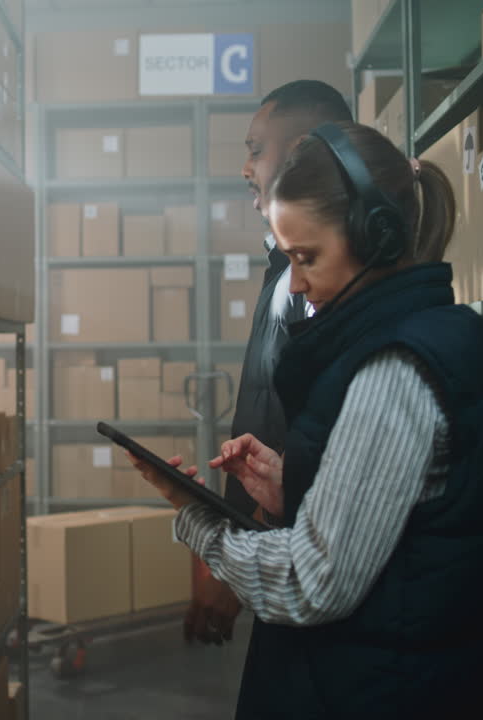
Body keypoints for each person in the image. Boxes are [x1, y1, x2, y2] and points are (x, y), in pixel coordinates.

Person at [130, 122, 483, 719]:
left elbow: (308, 584)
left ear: (376, 236)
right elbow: (408, 524)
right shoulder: (435, 334)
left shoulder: (393, 372)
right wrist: (297, 487)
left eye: (307, 256)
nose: (296, 281)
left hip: (391, 692)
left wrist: (193, 518)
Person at [185, 79, 352, 648]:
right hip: (271, 547)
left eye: (257, 148)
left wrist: (234, 565)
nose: (245, 167)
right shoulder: (286, 270)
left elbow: (302, 436)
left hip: (287, 559)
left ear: (303, 150)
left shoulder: (313, 285)